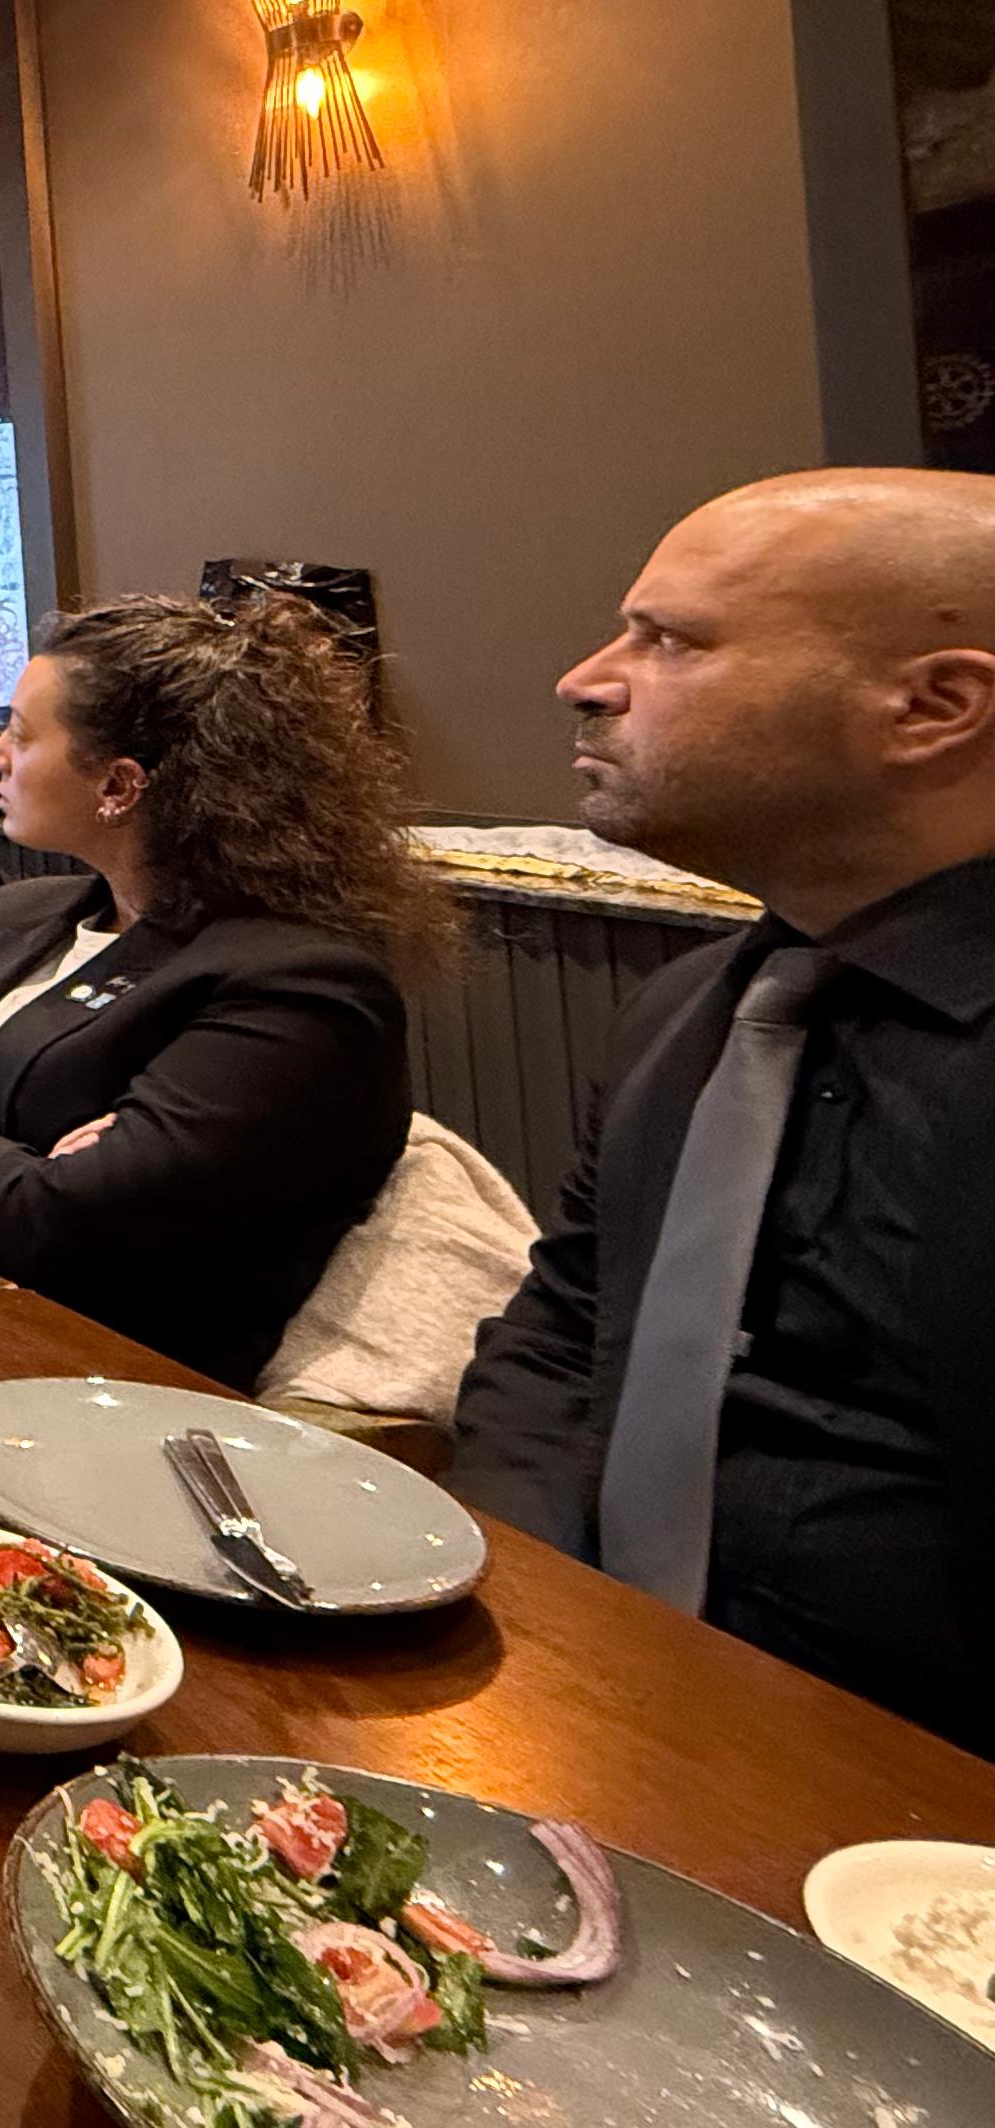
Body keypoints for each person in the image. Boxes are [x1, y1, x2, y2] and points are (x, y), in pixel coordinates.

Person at [454, 470, 995, 1752]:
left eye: (670, 641)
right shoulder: (695, 1009)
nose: (585, 679)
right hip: (593, 1708)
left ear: (932, 708)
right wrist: (510, 1612)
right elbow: (567, 1331)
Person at [0, 594, 442, 1390]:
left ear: (118, 783)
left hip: (120, 1387)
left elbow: (61, 1226)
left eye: (21, 735)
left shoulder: (300, 985)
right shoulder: (13, 915)